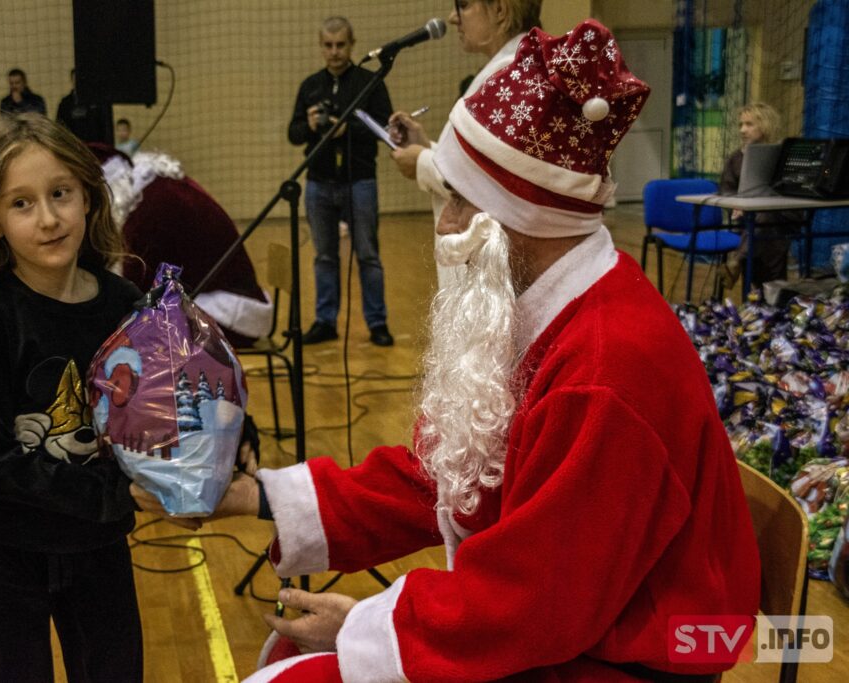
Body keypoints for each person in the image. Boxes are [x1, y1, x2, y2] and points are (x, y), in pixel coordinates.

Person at [135, 20, 761, 682]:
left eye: (459, 201)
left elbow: (533, 605)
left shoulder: (603, 373)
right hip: (579, 626)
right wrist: (250, 495)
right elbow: (444, 477)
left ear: (521, 215)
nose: (444, 224)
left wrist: (363, 628)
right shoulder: (550, 308)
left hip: (627, 658)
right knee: (296, 659)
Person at [0, 114, 143, 681]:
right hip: (0, 547)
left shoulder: (124, 303)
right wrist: (117, 490)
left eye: (60, 194)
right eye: (21, 204)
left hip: (96, 543)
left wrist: (224, 438)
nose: (49, 219)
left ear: (87, 197)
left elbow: (162, 408)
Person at [388, 0, 541, 290]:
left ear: (500, 11)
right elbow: (480, 162)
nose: (452, 17)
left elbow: (484, 181)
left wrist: (420, 162)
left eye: (464, 5)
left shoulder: (508, 75)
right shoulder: (511, 68)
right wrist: (428, 147)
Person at [89, 143, 272, 348]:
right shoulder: (152, 190)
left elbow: (136, 294)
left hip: (230, 318)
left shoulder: (147, 212)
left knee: (131, 342)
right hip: (229, 300)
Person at [288, 16, 394, 347]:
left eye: (340, 45)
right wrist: (309, 124)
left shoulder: (369, 82)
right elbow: (294, 134)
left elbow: (386, 129)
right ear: (321, 47)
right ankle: (325, 321)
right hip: (318, 183)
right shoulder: (310, 86)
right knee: (324, 257)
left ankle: (377, 322)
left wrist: (349, 128)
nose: (334, 52)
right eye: (328, 45)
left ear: (352, 45)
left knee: (368, 255)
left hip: (360, 181)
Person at [719, 102, 797, 289]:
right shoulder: (735, 158)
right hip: (748, 217)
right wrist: (736, 204)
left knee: (765, 219)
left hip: (782, 215)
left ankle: (738, 261)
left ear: (765, 125)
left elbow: (792, 187)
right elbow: (726, 190)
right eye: (741, 125)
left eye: (749, 124)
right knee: (766, 228)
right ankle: (769, 293)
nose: (742, 130)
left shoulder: (783, 155)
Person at [55, 69, 113, 144]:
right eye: (75, 79)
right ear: (72, 80)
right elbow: (60, 126)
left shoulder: (96, 102)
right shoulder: (65, 103)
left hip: (94, 145)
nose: (78, 82)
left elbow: (103, 126)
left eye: (80, 80)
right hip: (74, 145)